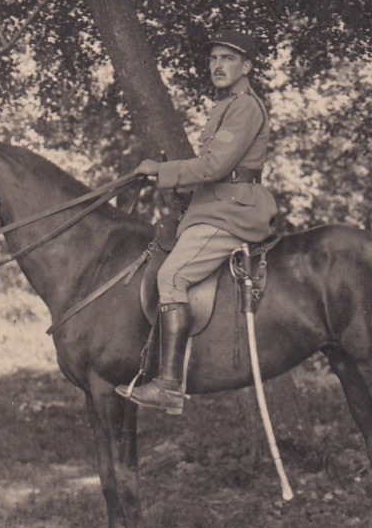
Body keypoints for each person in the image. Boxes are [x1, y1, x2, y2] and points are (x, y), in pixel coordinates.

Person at [116, 29, 277, 415]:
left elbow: (215, 166)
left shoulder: (244, 107)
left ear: (247, 68)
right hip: (213, 207)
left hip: (232, 210)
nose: (218, 66)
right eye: (214, 59)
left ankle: (169, 385)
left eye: (229, 59)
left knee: (171, 276)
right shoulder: (225, 106)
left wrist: (161, 170)